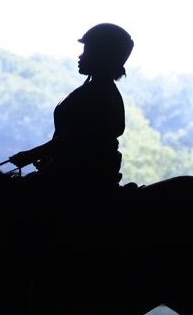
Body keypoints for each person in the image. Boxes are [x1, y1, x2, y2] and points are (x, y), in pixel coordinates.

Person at [10, 23, 133, 202]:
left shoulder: (96, 94)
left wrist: (30, 155)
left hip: (77, 179)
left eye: (87, 51)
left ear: (101, 56)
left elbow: (73, 140)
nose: (80, 56)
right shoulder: (101, 91)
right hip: (84, 173)